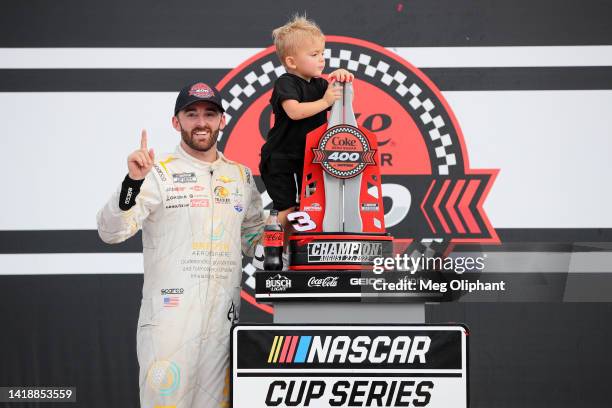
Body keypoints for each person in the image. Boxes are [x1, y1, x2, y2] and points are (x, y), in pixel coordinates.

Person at [97, 81, 264, 408]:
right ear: (177, 122)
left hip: (222, 327)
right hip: (169, 325)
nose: (201, 122)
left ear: (222, 120)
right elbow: (111, 231)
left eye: (209, 114)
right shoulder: (158, 173)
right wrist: (132, 182)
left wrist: (285, 224)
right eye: (192, 114)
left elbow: (255, 243)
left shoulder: (242, 178)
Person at [259, 15, 354, 260]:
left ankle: (293, 253)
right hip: (279, 157)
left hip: (307, 158)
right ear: (291, 61)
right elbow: (294, 111)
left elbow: (342, 100)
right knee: (287, 207)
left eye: (322, 53)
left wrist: (341, 77)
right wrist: (324, 102)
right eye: (313, 54)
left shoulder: (321, 84)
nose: (321, 59)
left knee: (309, 208)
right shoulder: (286, 83)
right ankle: (266, 249)